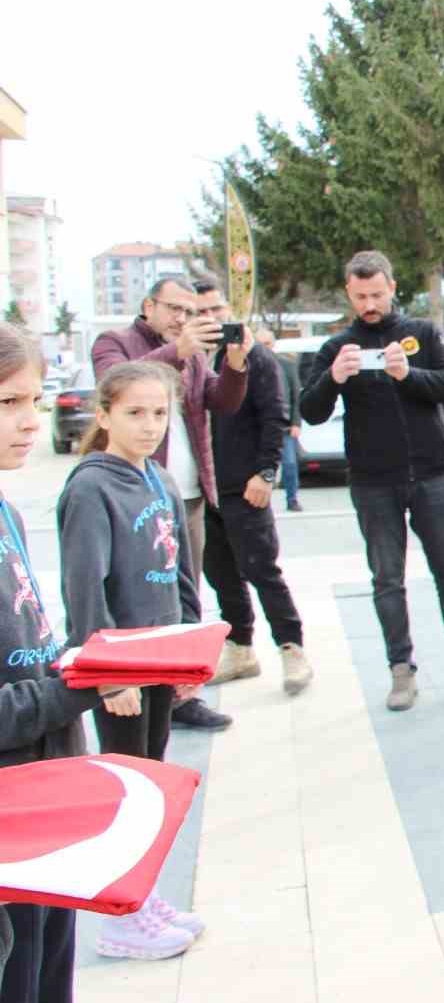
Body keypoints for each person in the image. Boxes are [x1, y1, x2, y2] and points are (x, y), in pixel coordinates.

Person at [0, 323, 145, 1002]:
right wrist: (84, 684)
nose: (31, 422)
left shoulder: (7, 511)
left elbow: (28, 650)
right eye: (8, 403)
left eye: (34, 400)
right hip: (10, 816)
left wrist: (89, 663)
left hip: (48, 791)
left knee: (51, 970)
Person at [57, 360, 207, 961]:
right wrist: (108, 677)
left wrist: (190, 656)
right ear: (104, 416)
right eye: (134, 413)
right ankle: (118, 917)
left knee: (152, 783)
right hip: (121, 669)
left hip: (162, 660)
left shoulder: (161, 479)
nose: (149, 425)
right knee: (125, 793)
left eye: (159, 413)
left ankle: (142, 896)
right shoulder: (90, 488)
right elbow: (84, 588)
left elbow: (182, 572)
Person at [301, 250, 444, 711]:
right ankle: (401, 670)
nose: (369, 304)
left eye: (376, 294)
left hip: (431, 473)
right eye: (360, 296)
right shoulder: (339, 347)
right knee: (387, 580)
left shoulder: (422, 333)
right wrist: (333, 378)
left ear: (392, 287)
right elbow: (310, 411)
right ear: (348, 294)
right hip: (373, 482)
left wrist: (407, 374)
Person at [91, 276, 245, 733]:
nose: (183, 318)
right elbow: (115, 383)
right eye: (174, 308)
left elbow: (223, 400)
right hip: (129, 495)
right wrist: (177, 349)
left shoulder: (192, 351)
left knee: (182, 596)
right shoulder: (115, 342)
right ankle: (127, 686)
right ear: (148, 306)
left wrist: (236, 364)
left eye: (190, 311)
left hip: (185, 495)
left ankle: (179, 694)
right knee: (132, 599)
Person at [192, 282, 312, 695]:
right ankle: (241, 648)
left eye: (216, 308)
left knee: (262, 569)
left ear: (230, 307)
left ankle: (292, 648)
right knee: (221, 574)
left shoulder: (254, 355)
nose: (210, 317)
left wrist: (265, 473)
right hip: (203, 488)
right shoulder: (192, 358)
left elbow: (275, 414)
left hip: (244, 485)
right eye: (200, 311)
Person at [257, 327, 304, 512]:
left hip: (284, 426)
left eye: (267, 344)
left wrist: (296, 422)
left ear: (274, 344)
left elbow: (296, 395)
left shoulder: (287, 365)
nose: (265, 348)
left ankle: (292, 499)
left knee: (290, 464)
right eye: (261, 344)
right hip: (259, 426)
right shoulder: (250, 365)